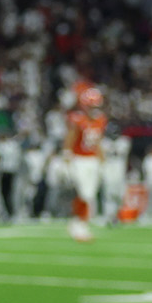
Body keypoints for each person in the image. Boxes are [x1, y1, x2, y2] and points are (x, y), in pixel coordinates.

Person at [64, 82, 107, 243]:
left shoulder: (101, 120)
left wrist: (102, 159)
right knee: (83, 192)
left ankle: (79, 223)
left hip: (93, 160)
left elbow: (99, 141)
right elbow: (71, 137)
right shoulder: (78, 119)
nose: (94, 109)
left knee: (89, 194)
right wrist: (67, 155)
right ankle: (79, 224)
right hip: (79, 159)